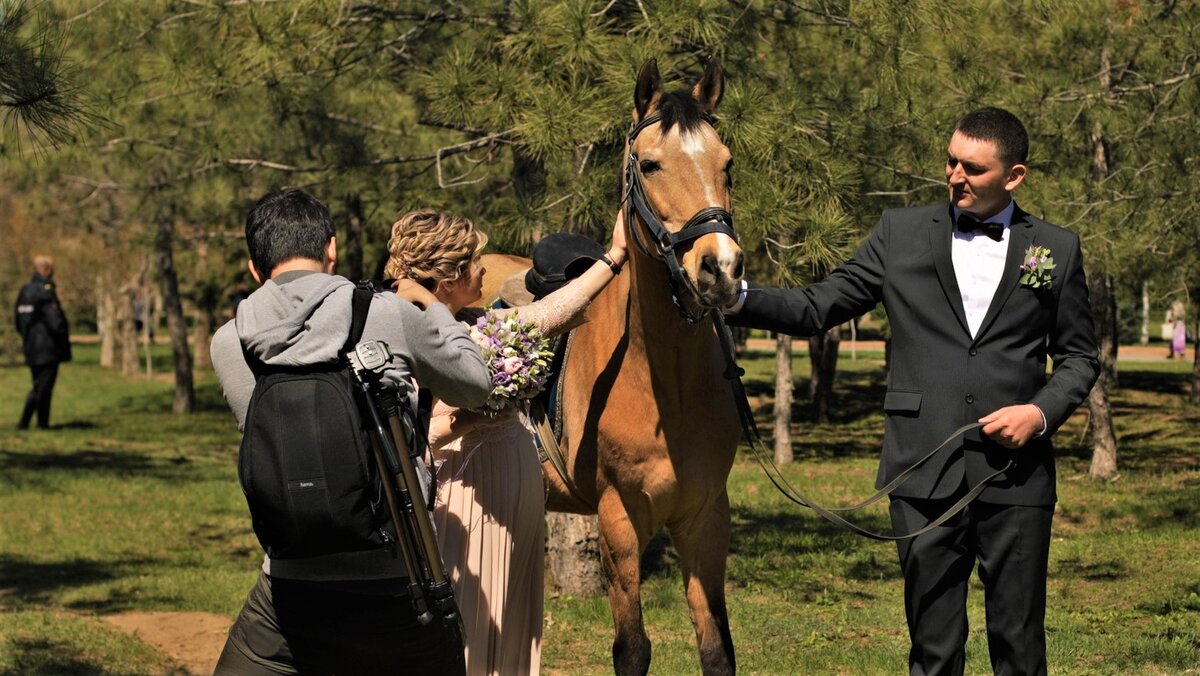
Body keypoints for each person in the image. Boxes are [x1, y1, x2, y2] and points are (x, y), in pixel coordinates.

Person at [726, 108, 1099, 675]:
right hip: (922, 473)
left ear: (1014, 176)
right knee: (933, 650)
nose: (954, 176)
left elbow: (1078, 357)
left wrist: (1040, 414)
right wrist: (734, 297)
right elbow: (816, 306)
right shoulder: (898, 234)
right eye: (950, 160)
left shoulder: (1054, 248)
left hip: (1017, 478)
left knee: (1021, 648)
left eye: (972, 168)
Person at [210, 188, 491, 675]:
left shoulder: (229, 341)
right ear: (332, 249)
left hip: (288, 586)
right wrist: (438, 312)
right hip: (398, 580)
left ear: (255, 269)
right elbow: (475, 384)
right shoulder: (386, 313)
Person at [387, 210, 627, 675]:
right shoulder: (408, 335)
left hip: (515, 493)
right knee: (472, 624)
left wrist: (616, 256)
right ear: (448, 278)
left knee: (515, 619)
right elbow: (407, 433)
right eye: (474, 261)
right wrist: (466, 420)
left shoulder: (486, 323)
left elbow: (557, 309)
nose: (484, 269)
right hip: (464, 496)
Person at [14, 255, 71, 430]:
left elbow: (17, 319)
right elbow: (55, 321)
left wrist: (27, 336)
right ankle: (27, 423)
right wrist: (63, 336)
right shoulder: (45, 291)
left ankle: (41, 423)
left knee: (39, 385)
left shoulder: (25, 290)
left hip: (31, 346)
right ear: (46, 269)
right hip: (47, 347)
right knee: (43, 387)